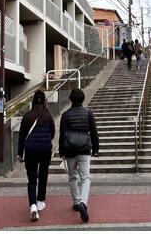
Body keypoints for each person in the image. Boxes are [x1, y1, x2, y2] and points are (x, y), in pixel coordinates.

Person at [59, 88, 99, 223]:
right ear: (82, 99)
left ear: (70, 99)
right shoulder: (88, 113)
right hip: (84, 150)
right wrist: (96, 149)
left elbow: (62, 135)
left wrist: (61, 152)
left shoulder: (65, 115)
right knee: (86, 178)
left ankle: (76, 203)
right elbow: (94, 132)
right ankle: (83, 202)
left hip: (70, 150)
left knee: (72, 177)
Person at [17, 90, 55, 222]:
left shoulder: (27, 116)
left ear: (33, 101)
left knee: (32, 179)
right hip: (45, 149)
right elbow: (53, 133)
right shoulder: (48, 115)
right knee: (43, 176)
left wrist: (19, 153)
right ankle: (40, 201)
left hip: (31, 150)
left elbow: (22, 136)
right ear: (44, 101)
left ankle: (32, 206)